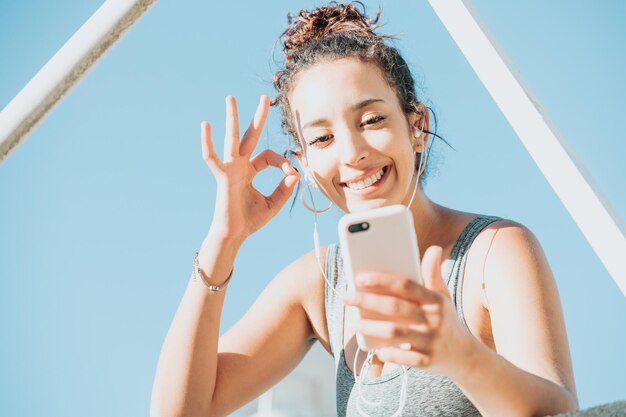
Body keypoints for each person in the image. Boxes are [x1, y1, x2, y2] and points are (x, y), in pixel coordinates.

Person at [150, 3, 578, 416]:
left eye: (371, 120)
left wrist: (460, 355)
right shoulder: (318, 286)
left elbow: (561, 412)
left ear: (416, 127)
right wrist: (222, 241)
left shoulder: (494, 252)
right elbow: (183, 411)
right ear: (304, 162)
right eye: (321, 139)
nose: (352, 153)